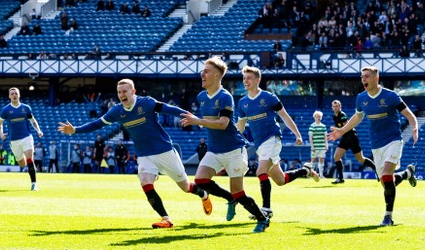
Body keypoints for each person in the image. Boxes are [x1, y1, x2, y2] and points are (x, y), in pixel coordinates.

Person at [58, 78, 212, 228]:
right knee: (145, 181)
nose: (121, 94)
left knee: (185, 187)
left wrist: (193, 118)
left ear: (133, 91)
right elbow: (97, 124)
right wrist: (76, 130)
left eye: (125, 91)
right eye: (119, 92)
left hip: (164, 151)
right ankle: (166, 219)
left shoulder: (146, 103)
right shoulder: (116, 111)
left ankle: (203, 194)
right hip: (144, 154)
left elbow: (169, 109)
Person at [180, 56, 269, 233]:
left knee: (239, 192)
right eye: (202, 71)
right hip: (214, 149)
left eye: (206, 71)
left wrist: (198, 120)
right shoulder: (201, 96)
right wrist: (198, 121)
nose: (202, 74)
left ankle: (262, 219)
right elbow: (207, 121)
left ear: (217, 75)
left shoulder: (225, 97)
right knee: (201, 180)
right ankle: (230, 198)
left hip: (233, 150)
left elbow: (223, 124)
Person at [328, 66, 418, 226]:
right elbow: (358, 117)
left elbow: (409, 115)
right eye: (362, 76)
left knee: (386, 175)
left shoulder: (391, 96)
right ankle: (407, 174)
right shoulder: (361, 98)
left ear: (376, 78)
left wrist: (415, 129)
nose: (363, 79)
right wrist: (341, 131)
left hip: (393, 140)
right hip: (376, 145)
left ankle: (388, 217)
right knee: (386, 182)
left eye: (367, 76)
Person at [236, 66, 319, 219]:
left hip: (272, 138)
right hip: (260, 143)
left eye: (248, 78)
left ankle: (266, 209)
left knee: (260, 172)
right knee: (280, 180)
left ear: (257, 80)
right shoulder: (242, 103)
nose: (245, 81)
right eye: (244, 78)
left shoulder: (269, 97)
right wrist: (233, 140)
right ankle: (305, 170)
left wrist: (298, 135)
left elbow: (285, 116)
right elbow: (240, 127)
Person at [0, 87, 43, 191]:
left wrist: (38, 131)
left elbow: (33, 120)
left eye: (16, 93)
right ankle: (27, 164)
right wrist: (1, 133)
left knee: (30, 159)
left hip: (27, 137)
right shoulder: (6, 110)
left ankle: (34, 184)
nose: (14, 95)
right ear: (9, 96)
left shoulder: (26, 108)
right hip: (14, 141)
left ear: (19, 95)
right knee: (22, 164)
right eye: (12, 94)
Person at [330, 100, 376, 184]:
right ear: (332, 107)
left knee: (361, 159)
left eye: (337, 106)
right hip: (345, 138)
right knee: (336, 157)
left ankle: (376, 169)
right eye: (334, 106)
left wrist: (337, 131)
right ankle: (340, 178)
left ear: (340, 107)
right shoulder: (334, 116)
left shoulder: (342, 115)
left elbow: (346, 127)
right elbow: (341, 130)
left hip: (352, 137)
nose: (335, 108)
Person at [308, 110, 328, 178]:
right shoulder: (312, 126)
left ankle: (321, 175)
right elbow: (310, 137)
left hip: (322, 146)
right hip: (315, 146)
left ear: (321, 117)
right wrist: (312, 146)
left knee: (321, 160)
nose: (318, 118)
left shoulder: (323, 126)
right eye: (317, 116)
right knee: (313, 160)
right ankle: (311, 175)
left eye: (319, 116)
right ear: (314, 117)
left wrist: (326, 145)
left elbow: (325, 137)